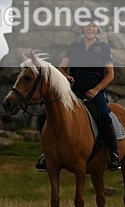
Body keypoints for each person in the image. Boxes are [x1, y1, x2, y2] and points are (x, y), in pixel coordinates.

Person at [35, 19, 120, 172]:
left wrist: (96, 89)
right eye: (87, 25)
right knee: (44, 116)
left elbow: (110, 74)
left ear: (98, 29)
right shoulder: (74, 47)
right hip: (74, 92)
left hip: (95, 92)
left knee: (103, 115)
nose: (90, 28)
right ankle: (48, 155)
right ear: (82, 28)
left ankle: (114, 154)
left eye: (94, 25)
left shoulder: (103, 47)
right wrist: (66, 76)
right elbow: (61, 69)